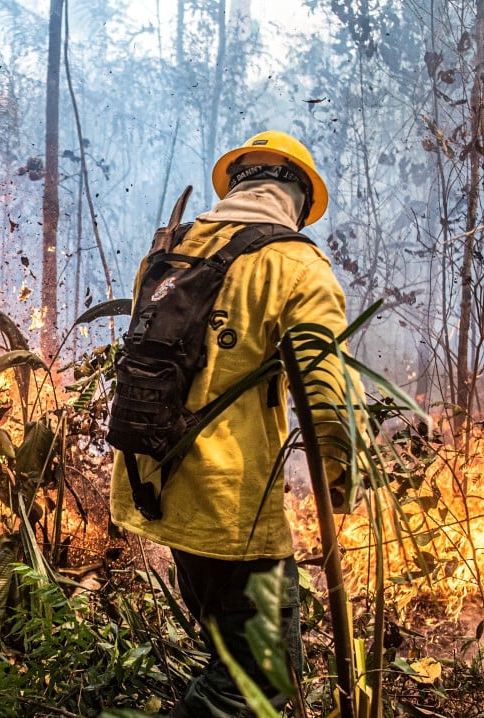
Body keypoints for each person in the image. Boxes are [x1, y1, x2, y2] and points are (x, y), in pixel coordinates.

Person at [109, 131, 362, 717]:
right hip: (230, 511)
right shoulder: (297, 265)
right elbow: (325, 389)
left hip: (153, 483)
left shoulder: (172, 250)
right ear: (298, 199)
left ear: (240, 183)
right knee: (260, 685)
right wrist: (340, 473)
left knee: (231, 654)